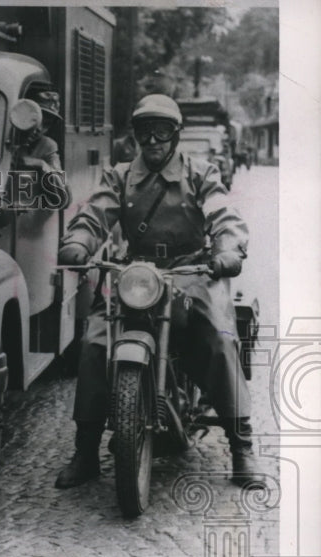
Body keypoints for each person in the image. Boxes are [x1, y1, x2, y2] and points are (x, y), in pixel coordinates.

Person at [55, 94, 263, 490]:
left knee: (218, 339)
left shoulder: (201, 173)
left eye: (162, 131)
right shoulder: (119, 176)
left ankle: (242, 447)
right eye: (144, 131)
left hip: (192, 271)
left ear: (176, 135)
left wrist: (227, 249)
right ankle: (85, 451)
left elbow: (223, 214)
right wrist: (79, 241)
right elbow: (95, 214)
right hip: (138, 273)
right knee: (96, 340)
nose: (152, 140)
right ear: (135, 135)